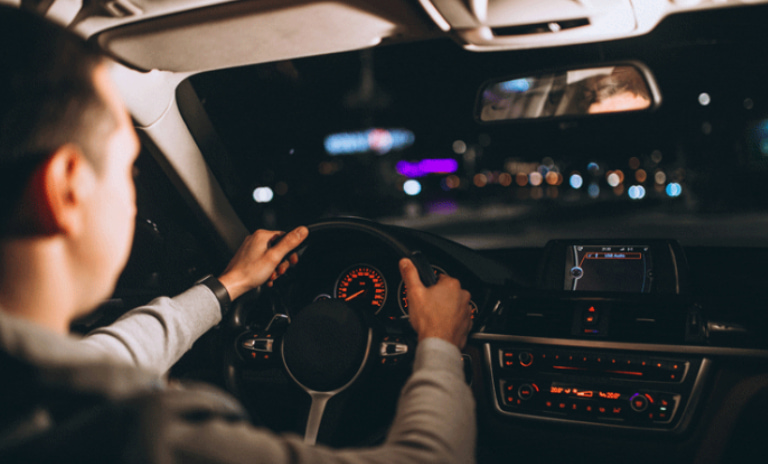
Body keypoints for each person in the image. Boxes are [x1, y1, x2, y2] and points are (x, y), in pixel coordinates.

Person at [0, 5, 475, 464]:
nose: (132, 199)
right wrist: (439, 346)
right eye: (128, 167)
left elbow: (101, 357)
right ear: (67, 188)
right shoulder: (143, 437)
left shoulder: (29, 394)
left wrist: (228, 287)